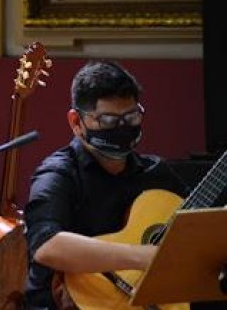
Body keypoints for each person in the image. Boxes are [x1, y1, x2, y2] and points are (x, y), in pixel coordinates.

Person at [23, 60, 189, 309]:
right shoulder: (58, 174)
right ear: (76, 122)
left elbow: (198, 226)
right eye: (109, 121)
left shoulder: (156, 173)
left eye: (131, 117)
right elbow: (47, 245)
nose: (122, 128)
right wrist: (140, 257)